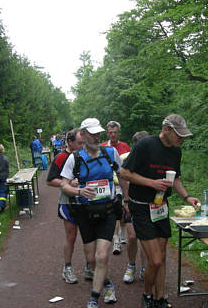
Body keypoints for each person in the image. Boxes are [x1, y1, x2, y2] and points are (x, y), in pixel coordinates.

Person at [120, 114, 200, 308]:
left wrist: (187, 197)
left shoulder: (176, 152)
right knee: (154, 260)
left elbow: (176, 179)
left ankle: (160, 297)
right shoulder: (145, 145)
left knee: (162, 256)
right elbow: (124, 172)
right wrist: (151, 182)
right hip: (141, 206)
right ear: (166, 130)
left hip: (161, 206)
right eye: (178, 135)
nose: (181, 139)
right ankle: (147, 295)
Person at [60, 118, 129, 308]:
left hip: (107, 211)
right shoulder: (74, 158)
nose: (97, 137)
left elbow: (122, 175)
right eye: (92, 134)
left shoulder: (110, 153)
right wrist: (79, 191)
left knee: (102, 256)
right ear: (82, 135)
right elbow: (64, 184)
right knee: (91, 258)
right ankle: (107, 283)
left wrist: (126, 200)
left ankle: (94, 298)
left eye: (99, 133)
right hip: (85, 213)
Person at [47, 129, 93, 284]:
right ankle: (67, 268)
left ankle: (89, 266)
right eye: (79, 143)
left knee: (89, 235)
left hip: (86, 202)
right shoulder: (61, 157)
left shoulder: (87, 154)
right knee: (71, 236)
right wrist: (66, 183)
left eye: (84, 142)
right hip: (68, 202)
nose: (82, 146)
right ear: (70, 143)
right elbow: (50, 180)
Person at [122, 131, 149, 284]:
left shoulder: (153, 159)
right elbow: (122, 178)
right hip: (131, 202)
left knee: (146, 238)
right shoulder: (126, 159)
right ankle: (131, 265)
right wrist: (126, 200)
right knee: (132, 237)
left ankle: (145, 268)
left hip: (148, 204)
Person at [101, 121, 131, 255]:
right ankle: (116, 240)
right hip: (110, 186)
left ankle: (123, 234)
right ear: (107, 133)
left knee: (124, 211)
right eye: (110, 132)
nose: (113, 135)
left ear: (118, 133)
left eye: (115, 132)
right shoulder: (103, 147)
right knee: (113, 212)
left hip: (124, 184)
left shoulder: (125, 146)